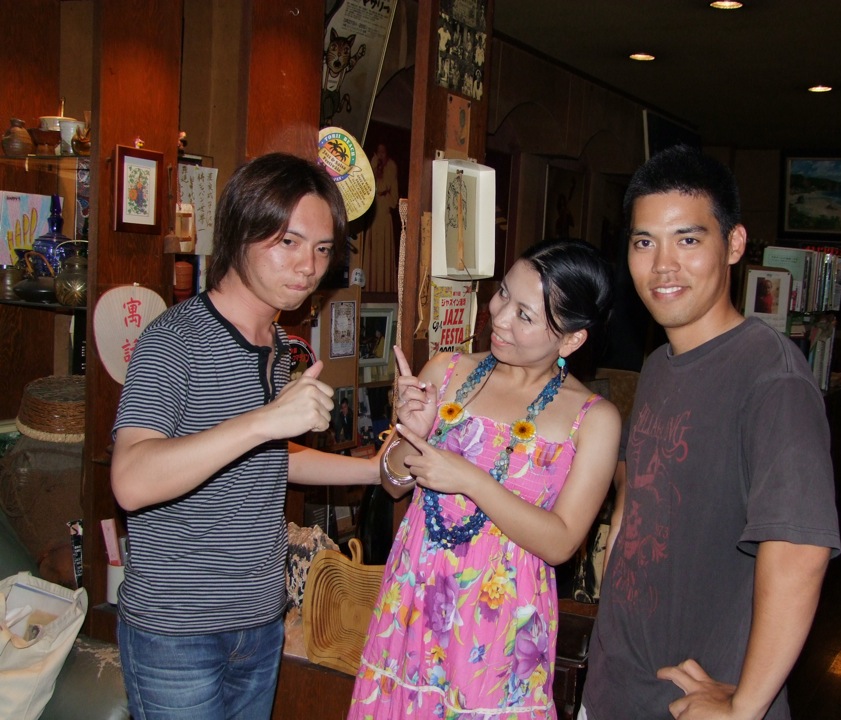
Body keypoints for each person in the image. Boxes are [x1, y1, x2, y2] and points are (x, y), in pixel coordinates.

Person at [110, 152, 383, 719]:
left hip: (259, 621)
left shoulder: (276, 346)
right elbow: (131, 480)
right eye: (289, 242)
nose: (308, 266)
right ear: (240, 231)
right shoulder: (175, 340)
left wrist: (376, 469)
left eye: (323, 249)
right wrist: (264, 420)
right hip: (177, 630)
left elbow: (268, 458)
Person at [580, 145, 841, 720]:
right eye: (644, 242)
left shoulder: (772, 377)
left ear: (735, 244)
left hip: (689, 703)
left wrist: (745, 706)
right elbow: (642, 487)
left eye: (688, 240)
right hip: (616, 687)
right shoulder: (659, 364)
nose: (662, 265)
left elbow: (799, 550)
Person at [347, 238, 621, 719]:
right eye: (503, 294)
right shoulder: (447, 370)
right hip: (414, 596)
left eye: (525, 315)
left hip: (500, 622)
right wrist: (412, 433)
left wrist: (471, 480)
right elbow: (392, 482)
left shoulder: (593, 419)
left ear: (571, 340)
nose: (499, 317)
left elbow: (561, 542)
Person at [363, 142, 399, 293]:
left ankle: (384, 288)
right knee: (372, 250)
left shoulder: (391, 166)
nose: (380, 155)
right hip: (374, 209)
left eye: (383, 152)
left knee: (383, 249)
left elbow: (389, 190)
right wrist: (372, 167)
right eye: (378, 152)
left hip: (384, 208)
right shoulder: (373, 164)